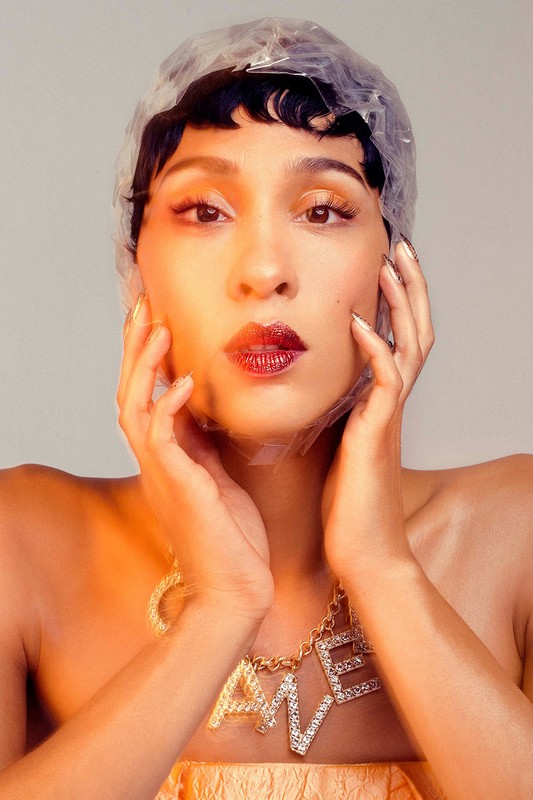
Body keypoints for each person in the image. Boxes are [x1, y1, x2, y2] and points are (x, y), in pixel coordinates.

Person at [0, 17, 531, 800]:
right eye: (204, 210)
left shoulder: (514, 533)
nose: (263, 269)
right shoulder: (22, 543)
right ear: (137, 265)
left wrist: (381, 567)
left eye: (322, 210)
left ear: (392, 263)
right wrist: (221, 607)